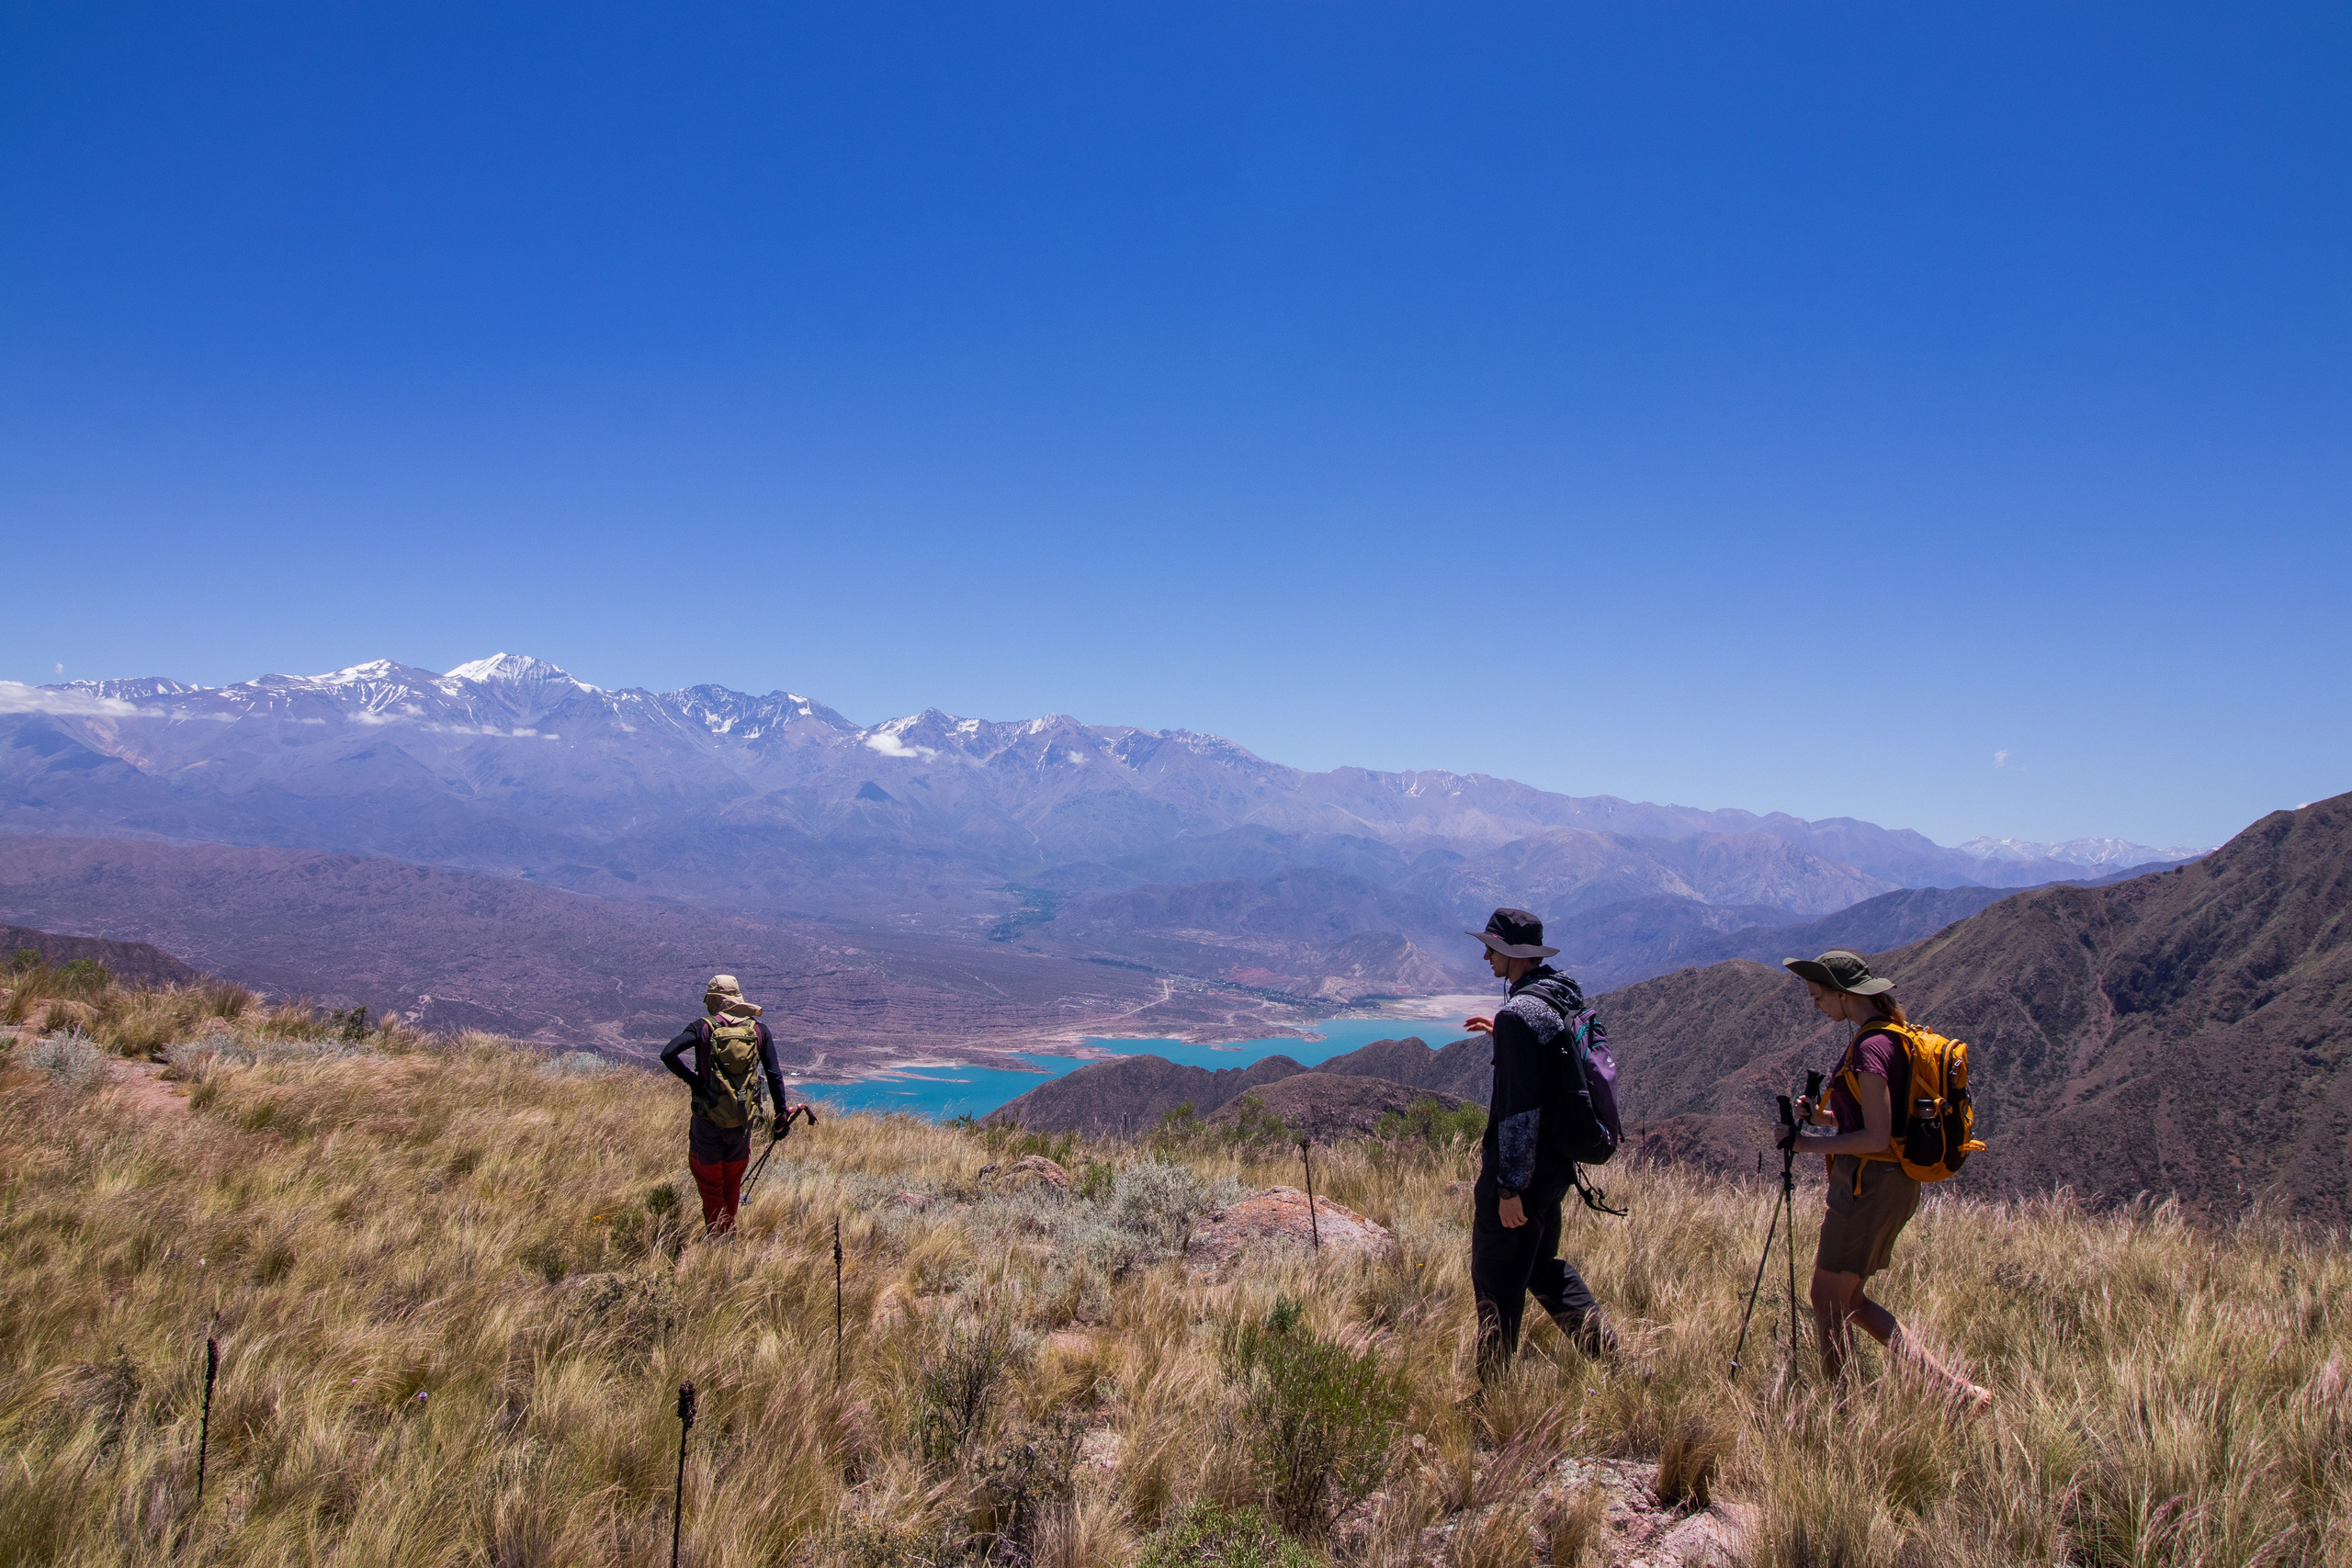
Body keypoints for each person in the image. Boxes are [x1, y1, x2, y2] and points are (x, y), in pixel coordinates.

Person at [1783, 949, 1989, 1405]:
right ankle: (1954, 1392)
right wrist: (1824, 1116)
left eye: (1818, 995)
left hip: (1868, 1186)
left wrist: (1807, 1143)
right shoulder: (1892, 1036)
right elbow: (1883, 1122)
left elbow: (1876, 1137)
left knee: (1828, 1299)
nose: (1816, 1004)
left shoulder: (1871, 1047)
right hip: (1888, 1184)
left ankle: (1844, 1407)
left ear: (1844, 994)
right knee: (1849, 1300)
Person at [1462, 908, 1618, 1376]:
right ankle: (1610, 1359)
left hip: (1523, 1175)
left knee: (1496, 1280)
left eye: (1493, 949)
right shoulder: (1560, 995)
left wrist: (1509, 1188)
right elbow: (1553, 1065)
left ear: (1515, 957)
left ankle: (1493, 1391)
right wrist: (1505, 1037)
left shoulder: (1518, 1015)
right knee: (1539, 1267)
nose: (1487, 957)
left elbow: (1519, 1108)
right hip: (1557, 1169)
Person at [660, 973, 794, 1237]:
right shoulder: (757, 1030)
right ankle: (727, 1232)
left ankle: (719, 1238)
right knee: (732, 1182)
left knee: (710, 1184)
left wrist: (695, 1083)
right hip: (742, 1123)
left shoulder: (704, 1027)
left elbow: (668, 1054)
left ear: (714, 1000)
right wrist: (781, 1115)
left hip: (707, 1120)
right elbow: (774, 1074)